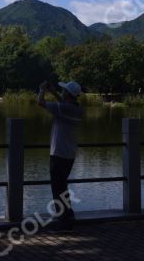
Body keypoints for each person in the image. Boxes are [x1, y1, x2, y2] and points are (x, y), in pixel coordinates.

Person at [37, 80, 83, 231]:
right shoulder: (77, 109)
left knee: (58, 188)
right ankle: (69, 215)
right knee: (63, 187)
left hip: (58, 154)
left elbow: (40, 103)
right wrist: (54, 93)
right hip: (69, 154)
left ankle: (64, 223)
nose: (62, 92)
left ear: (68, 94)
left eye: (64, 91)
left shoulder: (63, 108)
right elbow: (63, 103)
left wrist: (42, 89)